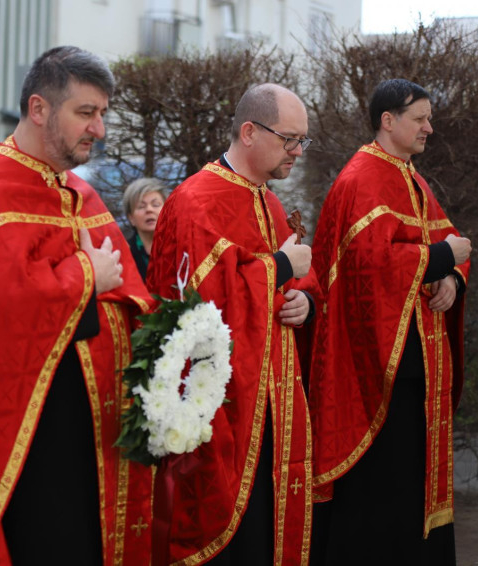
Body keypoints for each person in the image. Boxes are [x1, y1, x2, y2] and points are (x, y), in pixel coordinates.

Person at [0, 46, 155, 566]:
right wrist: (87, 276)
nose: (99, 128)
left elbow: (130, 295)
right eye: (86, 113)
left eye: (102, 113)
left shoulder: (83, 194)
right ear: (39, 108)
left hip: (97, 441)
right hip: (29, 443)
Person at [147, 83, 320, 565]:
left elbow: (296, 280)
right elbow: (197, 305)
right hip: (222, 408)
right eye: (290, 139)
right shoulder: (196, 200)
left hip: (275, 407)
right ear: (249, 132)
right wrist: (280, 269)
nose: (298, 151)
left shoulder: (271, 203)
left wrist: (303, 302)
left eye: (303, 140)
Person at [308, 79, 471, 565]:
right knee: (385, 488)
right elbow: (367, 267)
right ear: (388, 120)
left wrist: (452, 278)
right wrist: (441, 258)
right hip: (378, 371)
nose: (429, 128)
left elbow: (449, 242)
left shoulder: (409, 176)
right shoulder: (363, 177)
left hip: (418, 364)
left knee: (414, 480)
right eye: (420, 118)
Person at [121, 177, 166, 281]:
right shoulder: (123, 254)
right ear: (131, 218)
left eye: (155, 205)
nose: (149, 210)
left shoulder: (181, 249)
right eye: (141, 207)